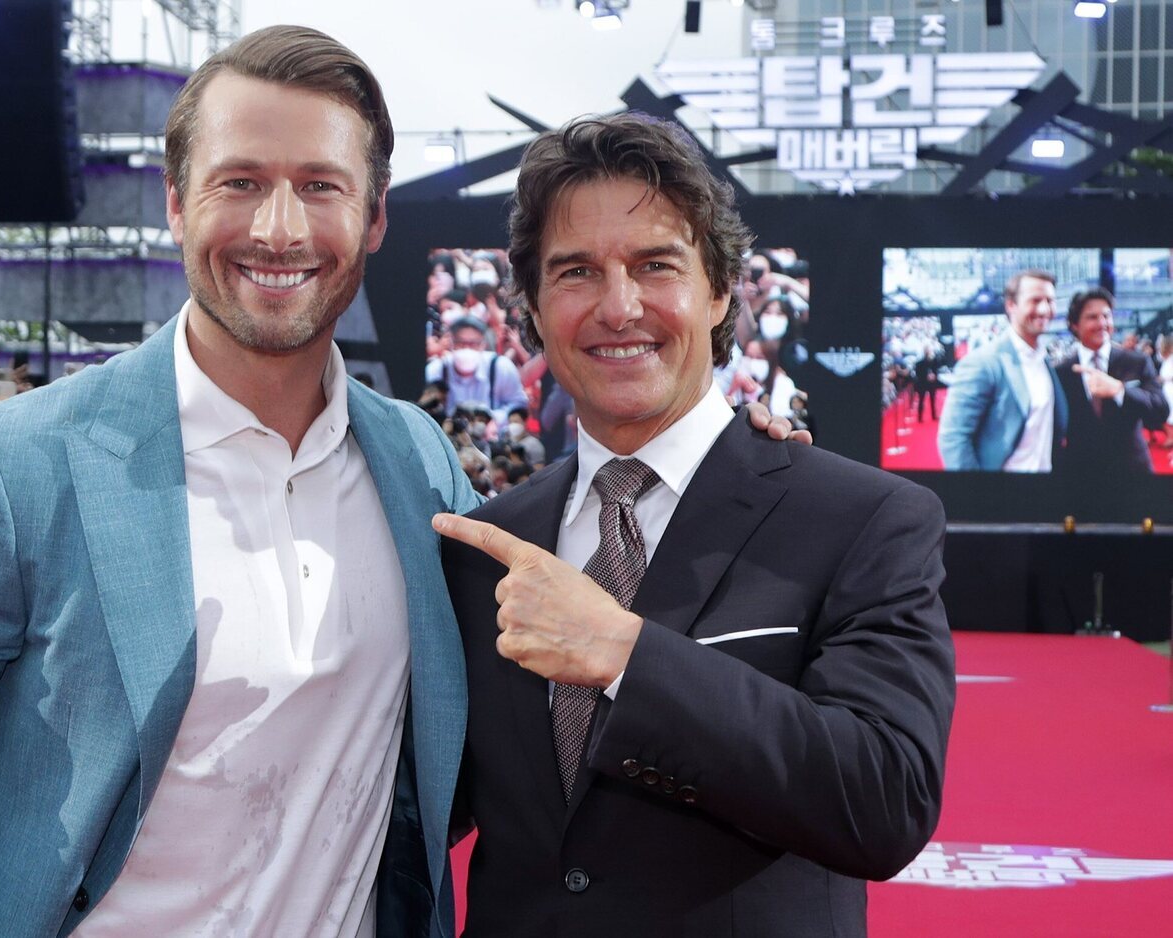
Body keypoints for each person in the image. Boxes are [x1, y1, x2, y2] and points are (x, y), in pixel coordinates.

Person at [0, 26, 478, 938]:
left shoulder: (418, 461)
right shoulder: (21, 465)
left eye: (320, 185)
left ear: (376, 214)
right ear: (175, 201)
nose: (278, 228)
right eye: (240, 182)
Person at [434, 113, 954, 935]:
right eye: (576, 272)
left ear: (719, 291)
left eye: (655, 265)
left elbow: (885, 802)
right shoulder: (486, 547)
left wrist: (624, 656)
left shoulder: (862, 518)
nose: (619, 306)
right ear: (531, 306)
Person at [937, 269, 1068, 471]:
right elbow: (953, 438)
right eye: (1035, 300)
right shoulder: (983, 362)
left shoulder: (1044, 360)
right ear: (1011, 305)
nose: (1044, 309)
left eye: (1050, 301)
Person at [1052, 288, 1169, 477]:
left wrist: (1119, 391)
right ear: (1074, 325)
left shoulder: (1137, 361)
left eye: (1106, 316)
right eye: (1092, 317)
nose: (1102, 323)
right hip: (1081, 475)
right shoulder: (1062, 372)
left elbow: (1160, 410)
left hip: (1132, 472)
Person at [424, 315, 530, 424]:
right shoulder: (436, 370)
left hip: (493, 437)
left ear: (483, 345)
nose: (467, 349)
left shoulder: (500, 367)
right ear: (451, 343)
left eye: (473, 344)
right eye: (461, 343)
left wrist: (496, 421)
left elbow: (519, 403)